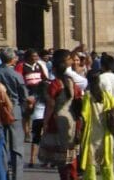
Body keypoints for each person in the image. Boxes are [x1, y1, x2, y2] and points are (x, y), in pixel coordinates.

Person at [38, 50, 81, 180]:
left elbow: (50, 105)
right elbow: (79, 99)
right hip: (72, 119)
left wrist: (45, 123)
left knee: (60, 156)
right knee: (71, 153)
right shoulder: (71, 82)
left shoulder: (55, 84)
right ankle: (73, 175)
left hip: (57, 122)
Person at [0, 48, 28, 180]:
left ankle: (3, 175)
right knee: (17, 147)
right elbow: (23, 95)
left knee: (1, 146)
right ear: (12, 59)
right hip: (15, 111)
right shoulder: (16, 75)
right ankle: (17, 176)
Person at [79, 70, 114, 180]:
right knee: (107, 165)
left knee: (91, 166)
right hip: (106, 136)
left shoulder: (88, 96)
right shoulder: (106, 96)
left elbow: (84, 115)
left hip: (91, 136)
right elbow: (113, 108)